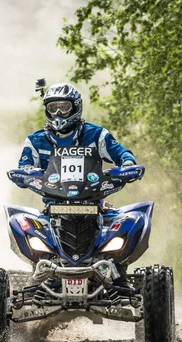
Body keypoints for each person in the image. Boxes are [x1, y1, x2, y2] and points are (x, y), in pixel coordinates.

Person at [17, 82, 136, 289]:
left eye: (64, 107)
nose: (59, 114)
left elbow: (122, 154)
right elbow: (24, 166)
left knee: (131, 224)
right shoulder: (36, 141)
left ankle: (118, 277)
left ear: (76, 107)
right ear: (46, 110)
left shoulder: (96, 135)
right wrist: (25, 173)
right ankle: (39, 278)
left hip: (95, 205)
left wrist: (127, 165)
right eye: (53, 108)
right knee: (22, 224)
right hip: (52, 207)